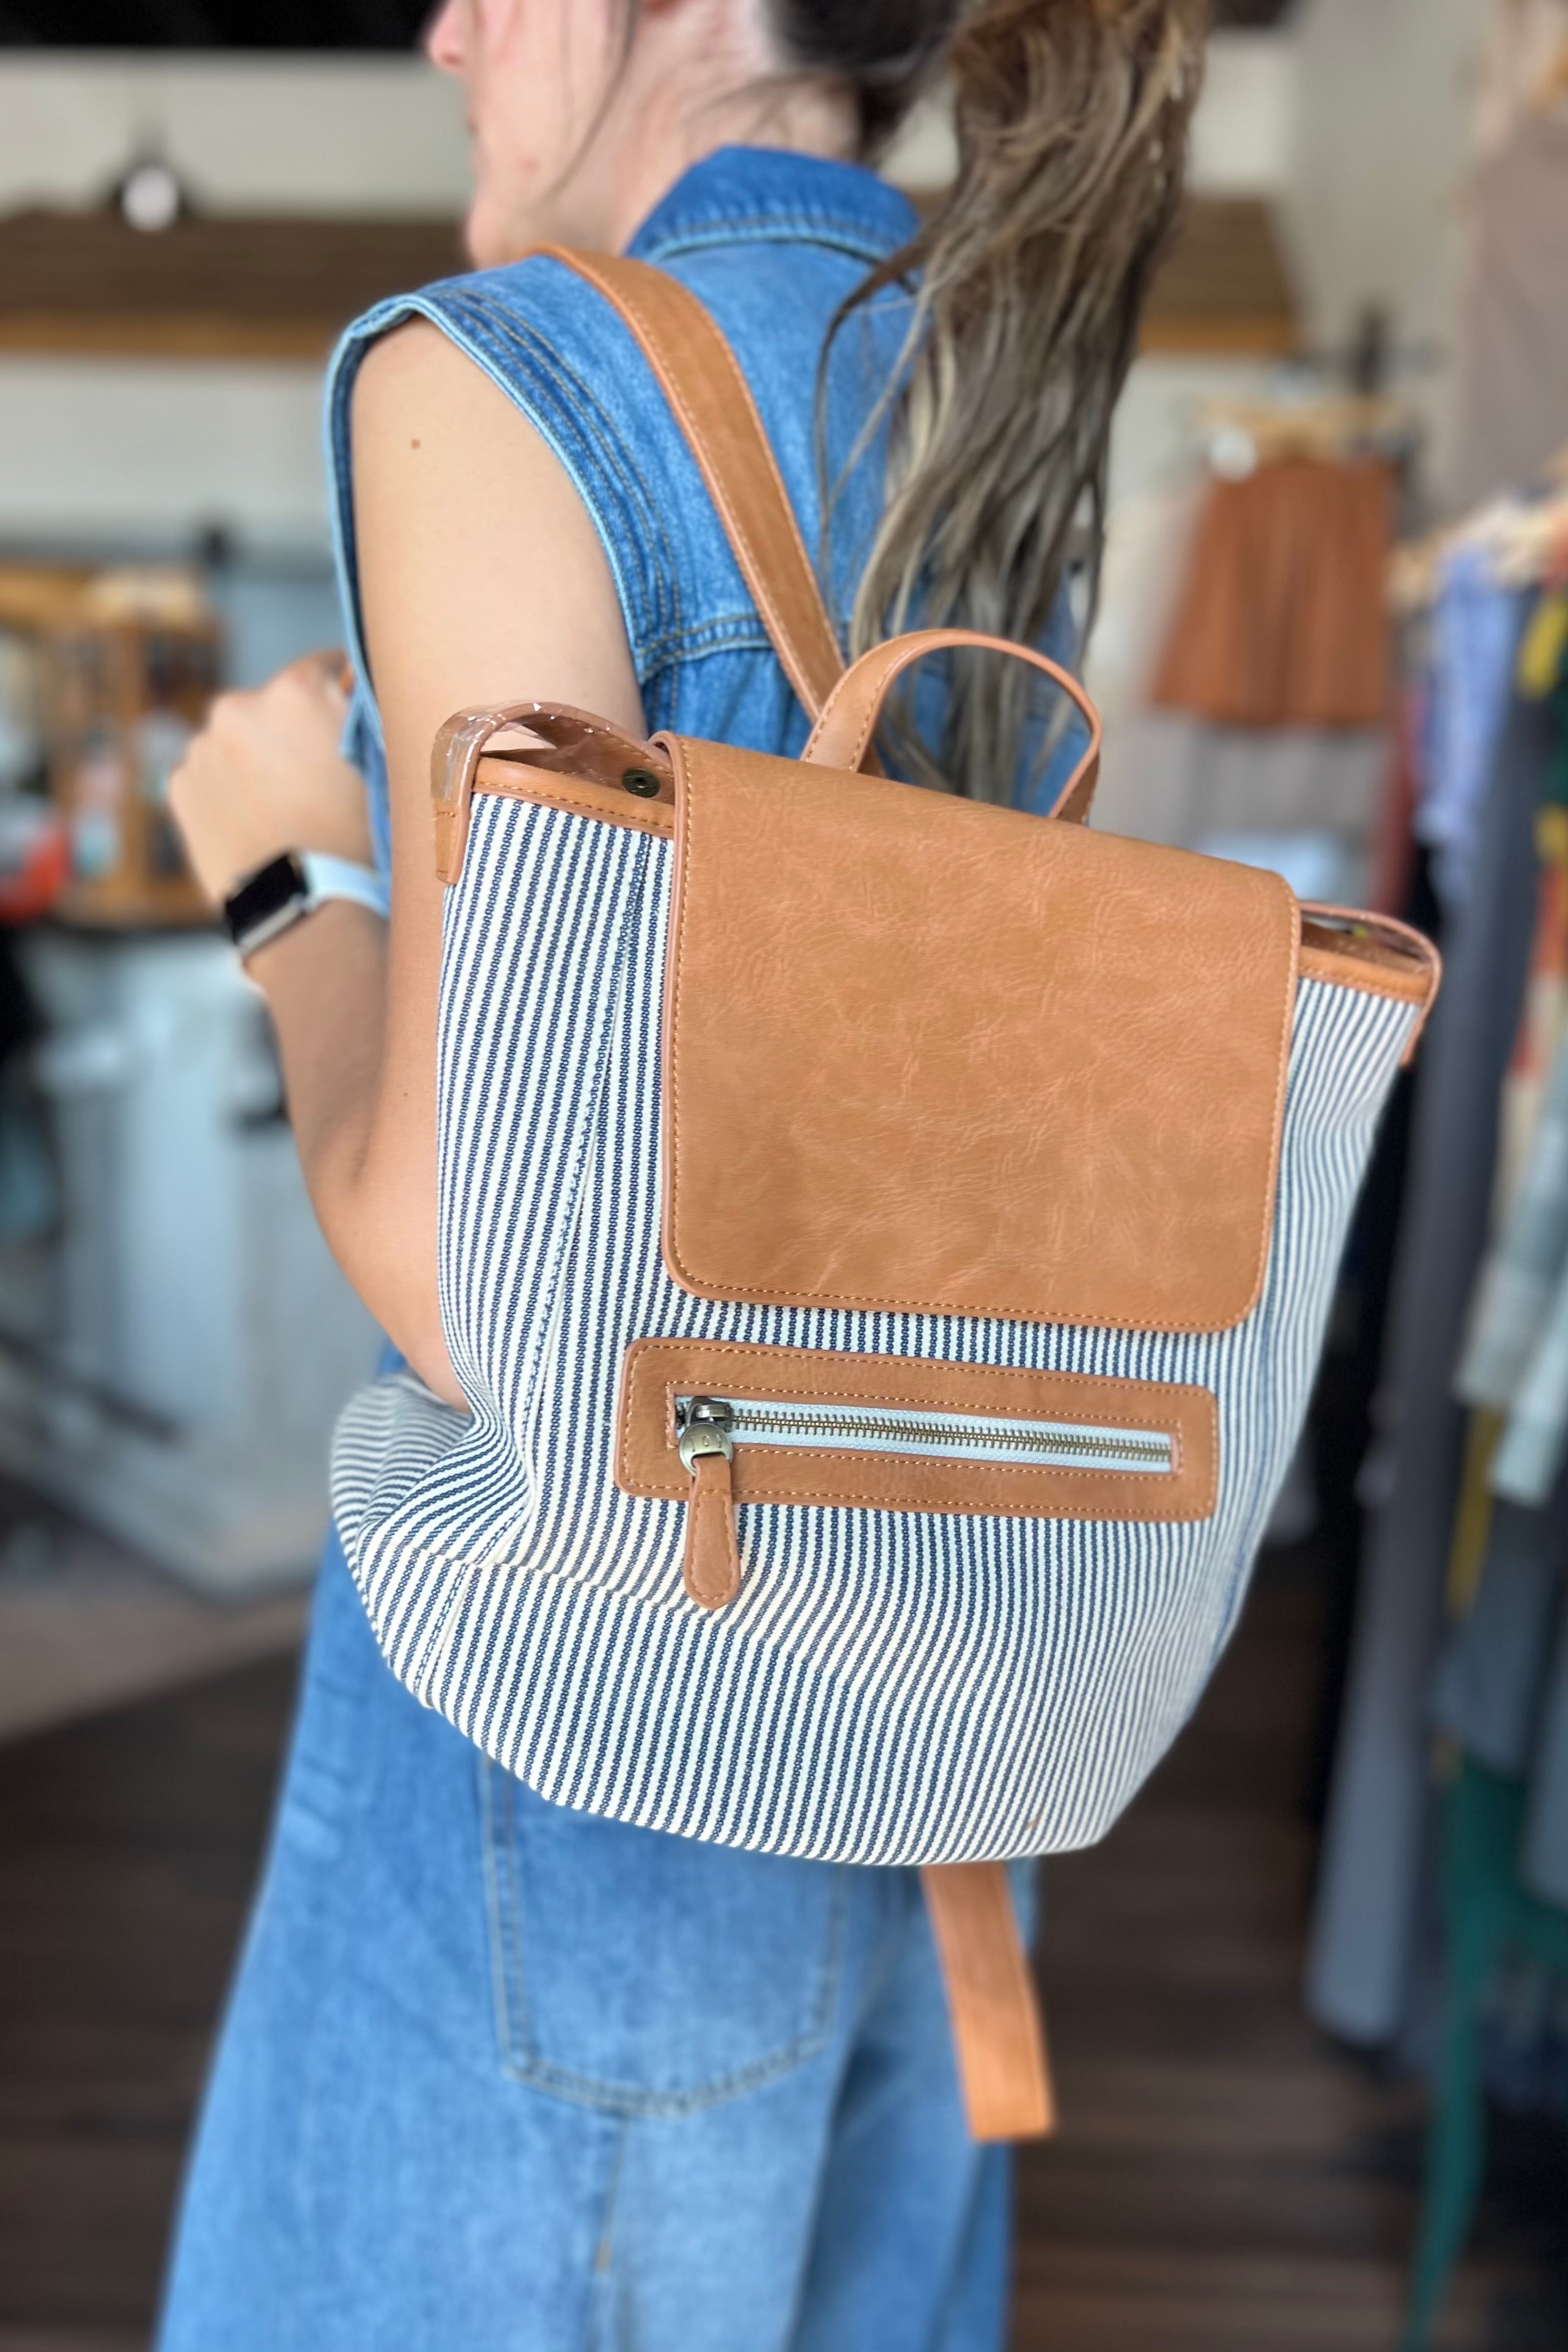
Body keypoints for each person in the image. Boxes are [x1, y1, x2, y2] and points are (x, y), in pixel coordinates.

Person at [157, 3, 1201, 2345]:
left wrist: (282, 890)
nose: (441, 25)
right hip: (931, 1723)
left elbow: (471, 1279)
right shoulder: (977, 370)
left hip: (599, 1766)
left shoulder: (500, 375)